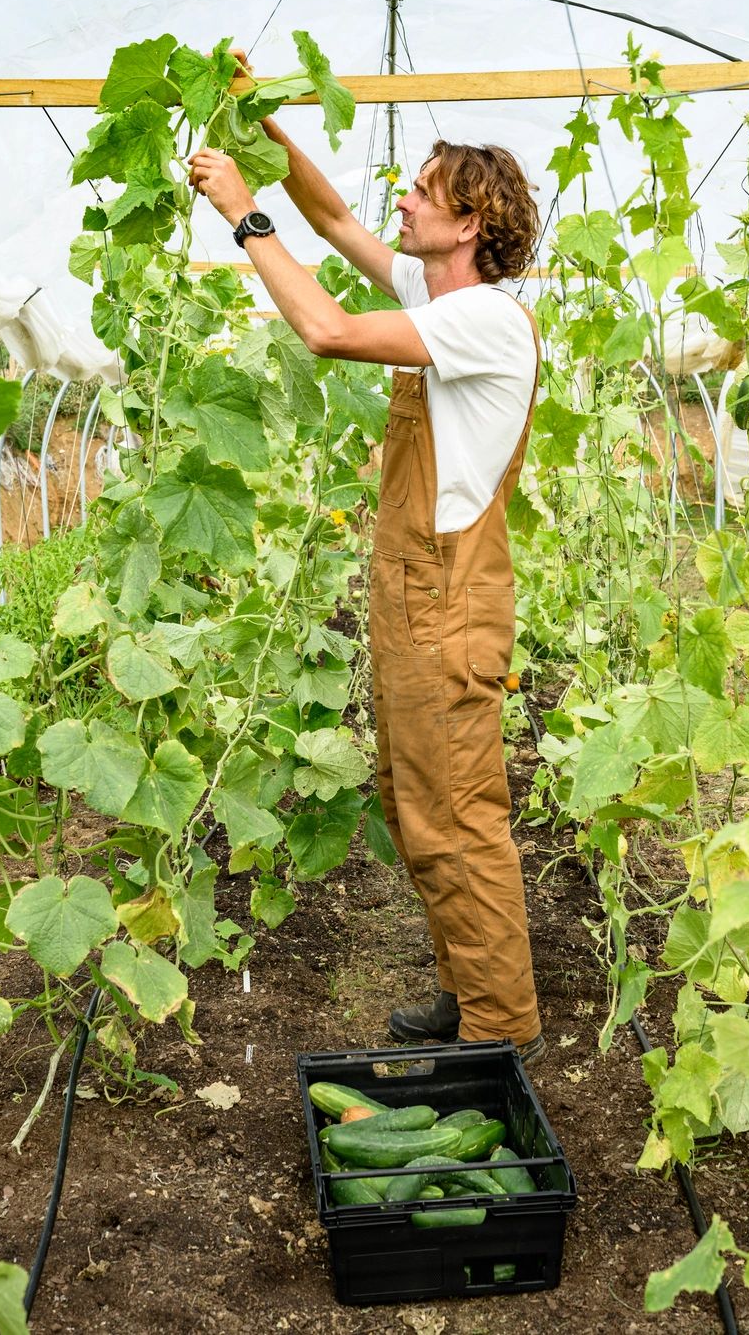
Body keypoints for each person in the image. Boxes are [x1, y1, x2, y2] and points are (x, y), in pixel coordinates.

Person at [186, 101, 545, 1063]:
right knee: (414, 801)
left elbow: (329, 331)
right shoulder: (438, 299)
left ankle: (497, 1032)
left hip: (446, 602)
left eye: (422, 191)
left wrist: (243, 214)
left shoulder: (486, 319)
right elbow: (337, 220)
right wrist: (263, 133)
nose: (402, 196)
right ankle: (467, 992)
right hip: (414, 598)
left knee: (457, 817)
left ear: (469, 223)